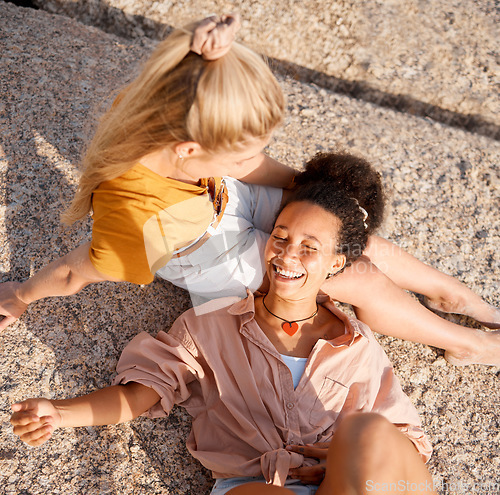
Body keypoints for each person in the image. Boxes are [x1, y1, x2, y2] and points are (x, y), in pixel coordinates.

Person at [0, 14, 498, 367]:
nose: (255, 162)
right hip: (211, 255)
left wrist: (206, 49)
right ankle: (463, 341)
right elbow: (72, 272)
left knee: (347, 236)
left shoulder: (161, 106)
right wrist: (20, 296)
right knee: (355, 275)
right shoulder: (138, 221)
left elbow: (187, 78)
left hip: (222, 201)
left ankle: (452, 294)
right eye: (241, 157)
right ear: (191, 150)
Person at [10, 166, 437, 494]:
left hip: (353, 483)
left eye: (310, 248)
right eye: (281, 237)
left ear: (337, 265)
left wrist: (341, 456)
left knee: (363, 431)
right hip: (259, 484)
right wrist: (60, 413)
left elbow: (408, 443)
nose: (287, 255)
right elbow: (139, 395)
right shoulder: (209, 327)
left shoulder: (358, 344)